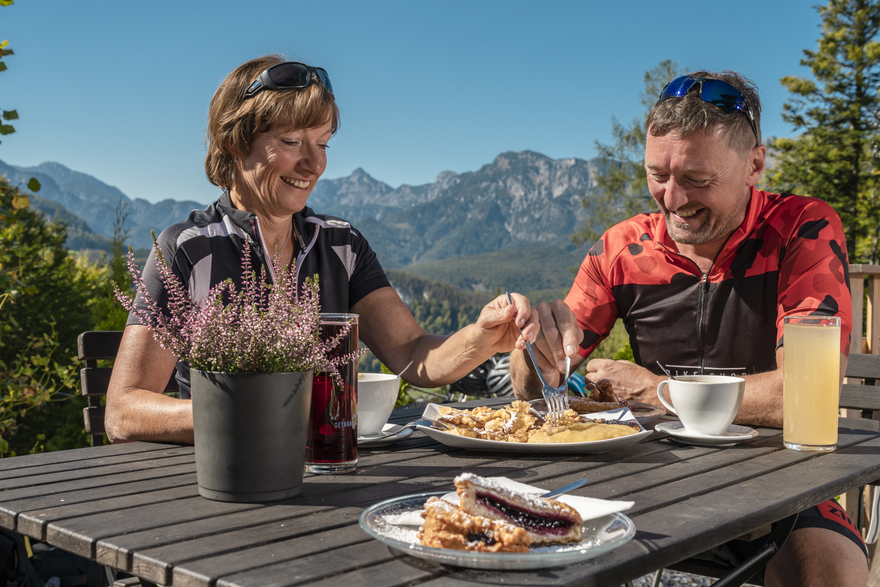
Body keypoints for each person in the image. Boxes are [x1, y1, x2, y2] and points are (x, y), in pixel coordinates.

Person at [510, 71, 867, 586]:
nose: (673, 199)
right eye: (658, 175)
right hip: (643, 476)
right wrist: (530, 346)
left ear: (755, 165)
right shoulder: (622, 248)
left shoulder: (801, 227)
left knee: (834, 573)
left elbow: (805, 393)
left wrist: (661, 391)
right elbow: (539, 380)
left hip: (774, 483)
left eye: (697, 180)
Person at [105, 55, 539, 444]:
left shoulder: (341, 244)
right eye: (292, 142)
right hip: (230, 475)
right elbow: (124, 411)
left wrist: (481, 337)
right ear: (236, 143)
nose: (315, 164)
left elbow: (411, 354)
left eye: (323, 143)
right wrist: (251, 412)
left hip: (336, 469)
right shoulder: (189, 248)